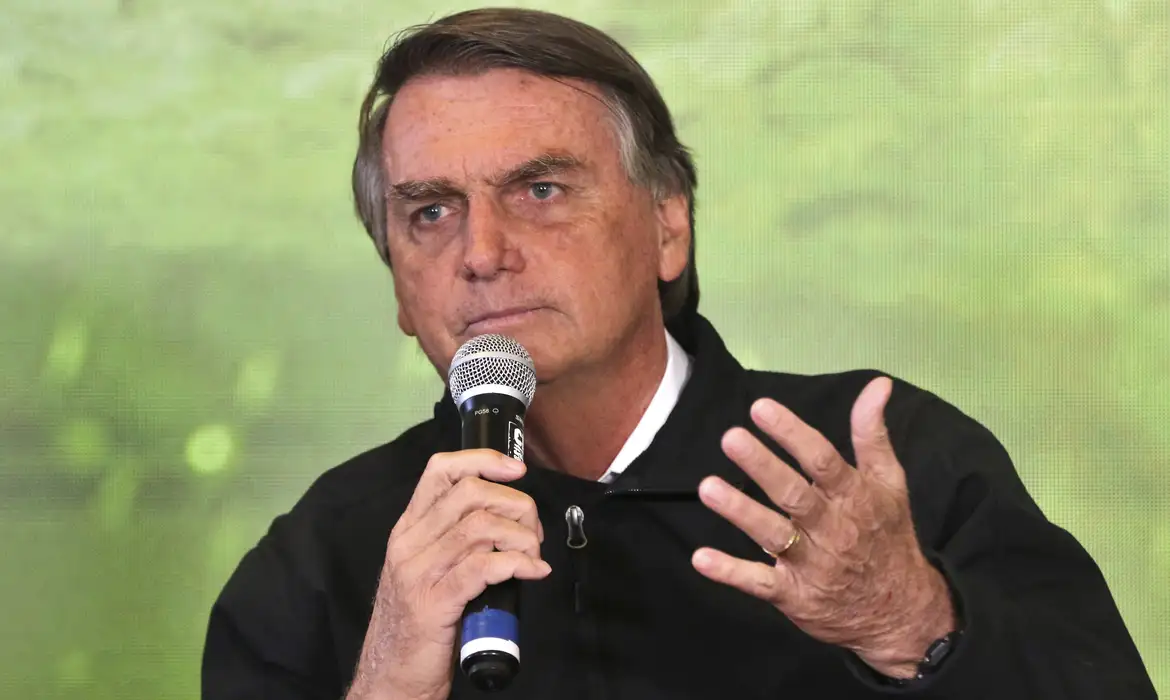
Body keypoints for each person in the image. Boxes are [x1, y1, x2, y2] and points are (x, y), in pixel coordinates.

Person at [201, 7, 1156, 699]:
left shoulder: (878, 467)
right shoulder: (325, 554)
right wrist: (386, 679)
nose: (481, 252)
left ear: (668, 226)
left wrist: (912, 625)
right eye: (430, 212)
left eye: (540, 190)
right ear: (399, 287)